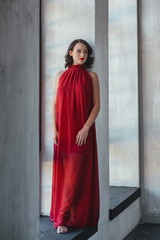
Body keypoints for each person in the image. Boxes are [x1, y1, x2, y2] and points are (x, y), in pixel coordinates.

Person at [50, 39, 100, 234]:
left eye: (86, 52)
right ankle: (65, 214)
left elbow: (97, 106)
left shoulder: (92, 76)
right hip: (62, 131)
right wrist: (53, 129)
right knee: (64, 175)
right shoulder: (59, 76)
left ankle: (62, 218)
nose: (82, 55)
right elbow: (54, 104)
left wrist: (86, 128)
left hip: (81, 133)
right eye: (79, 51)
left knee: (73, 175)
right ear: (70, 52)